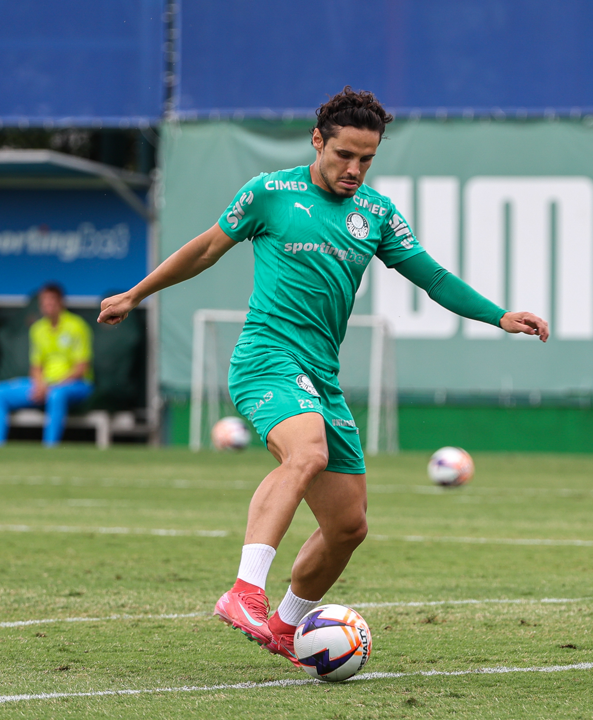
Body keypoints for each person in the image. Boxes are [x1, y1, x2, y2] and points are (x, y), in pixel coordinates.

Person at [98, 87, 548, 667]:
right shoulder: (270, 193)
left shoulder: (378, 214)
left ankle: (286, 627)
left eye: (367, 159)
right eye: (344, 155)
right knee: (306, 452)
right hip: (266, 359)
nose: (355, 169)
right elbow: (206, 249)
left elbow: (434, 278)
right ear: (318, 141)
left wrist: (499, 315)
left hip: (321, 378)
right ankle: (244, 590)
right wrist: (135, 295)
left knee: (348, 526)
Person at [0, 282, 94, 446]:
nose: (47, 305)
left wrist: (50, 386)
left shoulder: (77, 326)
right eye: (44, 302)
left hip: (76, 385)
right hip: (44, 386)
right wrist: (40, 384)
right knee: (1, 393)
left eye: (51, 301)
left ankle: (50, 448)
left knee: (56, 395)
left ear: (61, 302)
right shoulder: (37, 329)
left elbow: (80, 368)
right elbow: (36, 367)